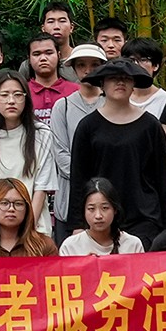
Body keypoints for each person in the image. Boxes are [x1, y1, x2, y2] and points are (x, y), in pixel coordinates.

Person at [65, 59, 166, 244]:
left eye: (126, 78)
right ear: (102, 84)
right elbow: (79, 178)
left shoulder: (151, 125)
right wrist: (78, 224)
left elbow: (162, 177)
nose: (120, 82)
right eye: (113, 78)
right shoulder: (88, 126)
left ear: (134, 85)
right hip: (100, 218)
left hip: (145, 217)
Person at [0, 74, 57, 236]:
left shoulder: (42, 134)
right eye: (4, 95)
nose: (11, 101)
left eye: (18, 95)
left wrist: (26, 230)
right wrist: (1, 231)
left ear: (26, 99)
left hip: (34, 229)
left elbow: (42, 187)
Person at [47, 42, 110, 240]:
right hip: (70, 195)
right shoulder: (63, 106)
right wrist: (87, 179)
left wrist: (102, 182)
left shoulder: (112, 103)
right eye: (81, 65)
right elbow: (60, 153)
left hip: (108, 196)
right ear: (74, 68)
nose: (88, 70)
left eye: (94, 65)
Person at [57, 179, 144, 256]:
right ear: (84, 211)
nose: (98, 216)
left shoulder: (133, 245)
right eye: (91, 209)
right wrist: (84, 265)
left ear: (115, 209)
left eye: (105, 208)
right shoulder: (70, 246)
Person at [25, 14, 75, 124]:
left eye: (49, 53)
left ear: (59, 55)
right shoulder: (21, 92)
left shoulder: (76, 92)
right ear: (29, 59)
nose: (43, 58)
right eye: (37, 54)